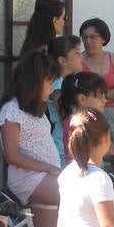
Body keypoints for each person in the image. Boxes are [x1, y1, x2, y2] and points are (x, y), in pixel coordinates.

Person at [0, 50, 62, 227]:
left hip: (45, 178)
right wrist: (49, 168)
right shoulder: (12, 109)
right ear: (35, 81)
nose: (51, 89)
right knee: (79, 194)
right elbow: (12, 156)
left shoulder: (36, 110)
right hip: (29, 179)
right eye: (49, 82)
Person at [58, 72, 114, 170]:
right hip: (83, 174)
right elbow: (99, 147)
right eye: (99, 96)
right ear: (82, 99)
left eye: (104, 96)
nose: (104, 100)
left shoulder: (91, 118)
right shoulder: (78, 122)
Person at [79, 18, 114, 151]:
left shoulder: (111, 58)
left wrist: (97, 96)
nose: (88, 41)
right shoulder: (79, 61)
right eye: (84, 37)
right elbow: (79, 93)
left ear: (103, 38)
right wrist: (111, 94)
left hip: (110, 114)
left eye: (93, 37)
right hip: (88, 114)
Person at [46, 35, 83, 166]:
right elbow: (66, 118)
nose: (81, 57)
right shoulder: (57, 86)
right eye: (76, 53)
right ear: (63, 60)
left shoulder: (70, 82)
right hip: (61, 146)